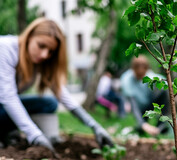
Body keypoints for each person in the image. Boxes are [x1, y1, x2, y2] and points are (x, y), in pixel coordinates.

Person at [0, 18, 113, 152]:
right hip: (4, 103)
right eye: (41, 46)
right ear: (29, 36)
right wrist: (35, 136)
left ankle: (7, 133)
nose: (44, 55)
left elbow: (63, 95)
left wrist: (95, 126)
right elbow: (8, 98)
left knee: (49, 103)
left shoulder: (39, 62)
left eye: (50, 51)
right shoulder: (5, 48)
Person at [120, 55, 169, 136]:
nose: (140, 77)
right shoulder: (126, 79)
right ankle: (141, 125)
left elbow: (166, 87)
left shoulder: (151, 76)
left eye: (142, 75)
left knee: (164, 92)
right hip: (138, 107)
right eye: (138, 75)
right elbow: (133, 104)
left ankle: (161, 126)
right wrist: (143, 125)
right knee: (140, 127)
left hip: (149, 103)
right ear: (133, 69)